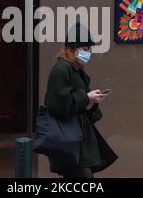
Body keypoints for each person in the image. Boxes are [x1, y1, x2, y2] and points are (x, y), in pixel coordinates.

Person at [44, 23, 118, 178]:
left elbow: (77, 105)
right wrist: (87, 97)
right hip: (71, 141)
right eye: (85, 49)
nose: (89, 53)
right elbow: (57, 104)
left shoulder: (74, 69)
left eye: (89, 49)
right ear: (71, 50)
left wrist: (92, 101)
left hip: (77, 140)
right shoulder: (61, 69)